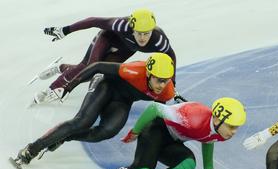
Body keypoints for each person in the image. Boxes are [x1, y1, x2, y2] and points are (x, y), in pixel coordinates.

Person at [63, 97, 247, 169]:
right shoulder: (193, 116)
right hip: (155, 130)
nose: (234, 131)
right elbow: (154, 109)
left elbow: (208, 139)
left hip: (172, 142)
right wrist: (135, 132)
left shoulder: (221, 132)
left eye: (237, 127)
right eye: (232, 126)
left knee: (188, 164)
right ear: (217, 119)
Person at [14, 53, 176, 167]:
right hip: (105, 85)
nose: (162, 85)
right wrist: (68, 87)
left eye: (166, 80)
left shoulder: (167, 91)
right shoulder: (134, 70)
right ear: (148, 73)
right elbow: (97, 66)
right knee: (82, 122)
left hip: (122, 101)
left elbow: (159, 114)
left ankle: (64, 137)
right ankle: (32, 149)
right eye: (159, 80)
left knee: (106, 132)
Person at [33, 8, 176, 104]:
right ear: (132, 29)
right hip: (107, 38)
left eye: (147, 33)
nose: (143, 38)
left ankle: (60, 67)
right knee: (89, 66)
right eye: (139, 33)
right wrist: (65, 30)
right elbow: (94, 21)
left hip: (126, 49)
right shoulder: (121, 25)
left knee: (94, 73)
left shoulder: (159, 41)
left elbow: (171, 56)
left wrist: (173, 83)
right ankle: (51, 89)